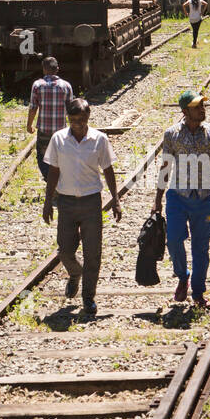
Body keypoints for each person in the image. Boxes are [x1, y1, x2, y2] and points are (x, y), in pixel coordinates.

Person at [43, 97, 122, 316]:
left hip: (91, 202)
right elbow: (53, 171)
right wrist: (48, 201)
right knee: (65, 251)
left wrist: (115, 199)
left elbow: (108, 170)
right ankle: (75, 273)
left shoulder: (99, 139)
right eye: (75, 119)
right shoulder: (58, 139)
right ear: (68, 118)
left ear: (88, 116)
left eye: (83, 119)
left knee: (93, 252)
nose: (79, 123)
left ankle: (88, 297)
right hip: (66, 202)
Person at [152, 87, 210, 309]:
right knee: (173, 240)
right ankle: (182, 276)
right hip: (177, 196)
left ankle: (198, 293)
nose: (202, 109)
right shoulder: (172, 134)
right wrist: (157, 199)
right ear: (185, 111)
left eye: (203, 105)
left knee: (200, 248)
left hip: (204, 198)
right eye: (197, 107)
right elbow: (165, 166)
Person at [27, 56, 73, 183]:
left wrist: (29, 125)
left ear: (43, 69)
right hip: (61, 131)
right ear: (57, 69)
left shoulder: (37, 85)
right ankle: (58, 180)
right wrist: (73, 129)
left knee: (42, 156)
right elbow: (71, 110)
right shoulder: (66, 86)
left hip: (44, 130)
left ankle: (49, 180)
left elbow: (33, 107)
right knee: (60, 157)